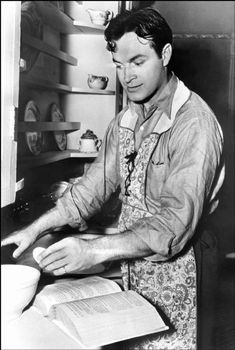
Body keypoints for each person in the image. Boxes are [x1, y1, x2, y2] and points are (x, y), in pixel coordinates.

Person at [1, 7, 225, 350]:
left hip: (184, 265)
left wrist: (93, 252)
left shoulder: (194, 124)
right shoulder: (126, 119)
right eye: (120, 66)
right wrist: (34, 229)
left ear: (164, 55)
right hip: (135, 261)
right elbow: (88, 192)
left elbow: (173, 227)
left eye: (137, 62)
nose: (127, 77)